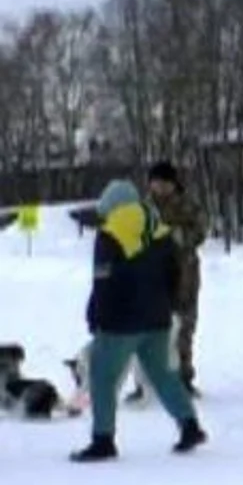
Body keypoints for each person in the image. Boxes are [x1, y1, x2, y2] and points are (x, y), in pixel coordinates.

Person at [70, 180, 207, 462]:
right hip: (157, 317)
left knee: (103, 378)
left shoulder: (110, 234)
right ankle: (190, 426)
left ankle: (103, 439)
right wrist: (168, 304)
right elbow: (175, 272)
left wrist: (96, 315)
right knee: (162, 374)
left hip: (120, 322)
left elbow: (103, 280)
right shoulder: (160, 230)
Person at [135, 160, 208, 398]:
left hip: (183, 275)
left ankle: (183, 378)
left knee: (184, 329)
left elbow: (200, 232)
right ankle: (144, 382)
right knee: (146, 330)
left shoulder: (188, 206)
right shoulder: (143, 208)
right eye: (157, 182)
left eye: (166, 182)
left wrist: (173, 235)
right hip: (151, 276)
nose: (161, 187)